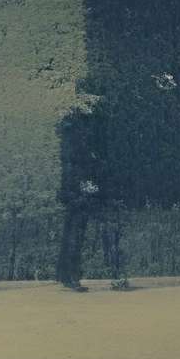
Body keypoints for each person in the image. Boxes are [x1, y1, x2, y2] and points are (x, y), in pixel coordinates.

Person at [54, 88, 127, 292]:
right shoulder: (73, 127)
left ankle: (71, 276)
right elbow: (72, 161)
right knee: (78, 230)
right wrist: (83, 184)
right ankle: (72, 276)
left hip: (86, 184)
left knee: (80, 229)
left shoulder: (86, 125)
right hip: (80, 186)